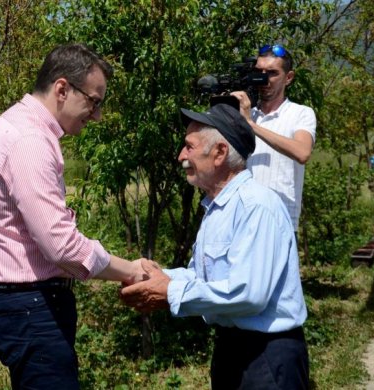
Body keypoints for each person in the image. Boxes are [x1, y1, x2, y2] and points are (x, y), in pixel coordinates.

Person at [0, 43, 147, 390]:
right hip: (31, 308)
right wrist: (130, 270)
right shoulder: (29, 140)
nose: (96, 115)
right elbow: (60, 245)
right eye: (94, 102)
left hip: (26, 305)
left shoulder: (20, 130)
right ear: (62, 89)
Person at [120, 103, 309, 389]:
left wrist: (169, 291)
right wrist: (158, 277)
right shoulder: (216, 208)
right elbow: (203, 277)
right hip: (231, 349)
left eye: (189, 147)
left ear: (220, 153)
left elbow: (248, 294)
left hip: (267, 355)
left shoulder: (257, 206)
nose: (181, 156)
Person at [230, 44, 317, 232]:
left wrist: (251, 125)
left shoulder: (300, 113)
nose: (264, 79)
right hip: (243, 220)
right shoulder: (245, 113)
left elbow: (302, 152)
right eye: (259, 72)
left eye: (272, 73)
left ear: (289, 78)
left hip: (280, 221)